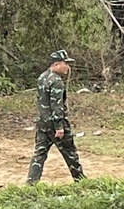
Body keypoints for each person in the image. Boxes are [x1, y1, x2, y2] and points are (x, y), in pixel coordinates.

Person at [26, 50, 86, 185]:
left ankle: (31, 182)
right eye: (65, 63)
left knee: (39, 154)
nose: (68, 67)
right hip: (55, 125)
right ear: (56, 64)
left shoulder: (42, 77)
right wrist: (59, 126)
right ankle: (81, 181)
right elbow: (56, 105)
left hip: (42, 123)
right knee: (70, 153)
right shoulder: (56, 82)